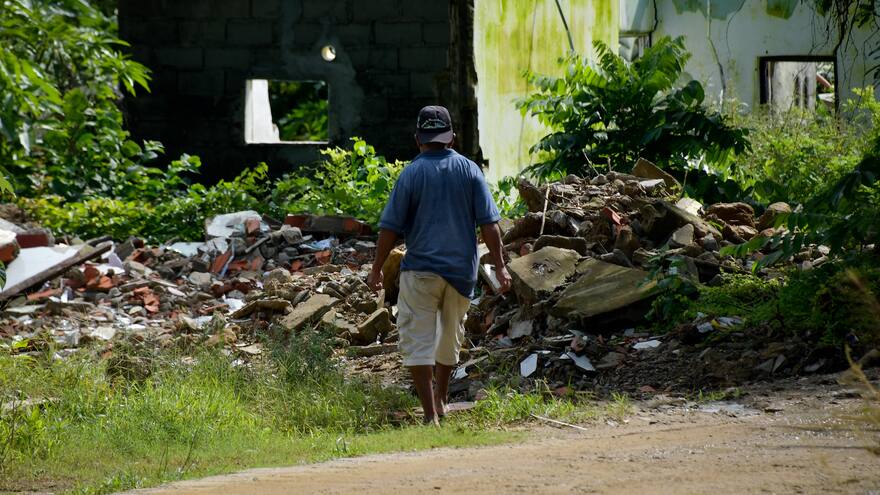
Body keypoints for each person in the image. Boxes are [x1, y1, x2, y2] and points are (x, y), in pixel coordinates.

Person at [367, 105, 511, 425]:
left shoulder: (411, 174)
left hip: (421, 271)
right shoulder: (470, 170)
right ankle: (442, 398)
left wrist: (376, 269)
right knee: (450, 336)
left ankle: (430, 414)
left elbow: (389, 228)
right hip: (461, 272)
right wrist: (501, 266)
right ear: (452, 138)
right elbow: (489, 225)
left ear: (418, 139)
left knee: (417, 339)